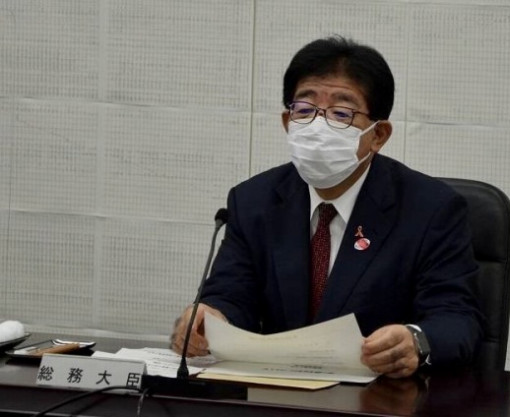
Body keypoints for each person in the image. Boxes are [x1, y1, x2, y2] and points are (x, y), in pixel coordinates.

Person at [171, 36, 483, 378]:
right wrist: (211, 318)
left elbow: (457, 319)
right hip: (277, 393)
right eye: (304, 110)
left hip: (380, 395)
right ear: (287, 122)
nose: (318, 126)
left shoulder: (431, 210)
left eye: (341, 113)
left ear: (378, 135)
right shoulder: (253, 201)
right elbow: (231, 296)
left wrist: (416, 341)